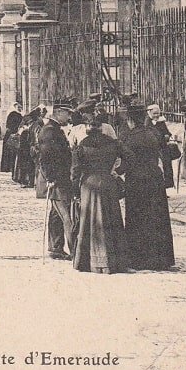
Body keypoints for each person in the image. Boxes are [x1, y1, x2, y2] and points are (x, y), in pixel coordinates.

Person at [117, 102, 176, 270]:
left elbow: (126, 161)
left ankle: (138, 258)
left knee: (137, 217)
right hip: (155, 178)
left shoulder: (128, 137)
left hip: (136, 180)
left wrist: (116, 173)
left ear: (130, 119)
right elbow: (164, 153)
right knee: (157, 217)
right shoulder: (154, 133)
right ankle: (161, 258)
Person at [71, 111, 128, 274]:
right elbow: (130, 157)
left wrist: (75, 190)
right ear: (102, 128)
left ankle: (87, 261)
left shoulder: (82, 145)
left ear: (88, 128)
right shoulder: (113, 143)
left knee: (89, 222)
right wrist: (117, 171)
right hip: (108, 184)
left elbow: (75, 171)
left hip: (89, 186)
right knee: (111, 220)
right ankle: (115, 261)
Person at [36, 98, 77, 260]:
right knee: (67, 215)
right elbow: (45, 158)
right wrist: (51, 178)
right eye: (67, 113)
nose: (68, 117)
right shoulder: (50, 131)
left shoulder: (55, 129)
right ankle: (75, 251)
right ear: (59, 112)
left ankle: (55, 247)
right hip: (58, 180)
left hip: (60, 177)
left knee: (56, 215)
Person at [146, 103, 176, 189]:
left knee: (166, 168)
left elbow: (167, 132)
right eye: (154, 113)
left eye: (158, 113)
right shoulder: (147, 122)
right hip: (153, 150)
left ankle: (166, 186)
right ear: (149, 113)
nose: (156, 115)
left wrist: (167, 135)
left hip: (163, 148)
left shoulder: (161, 121)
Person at [13, 107, 41, 187]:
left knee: (28, 166)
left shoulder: (31, 127)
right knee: (29, 165)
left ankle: (29, 182)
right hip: (27, 148)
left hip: (26, 149)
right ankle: (28, 181)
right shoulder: (33, 126)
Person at [1, 102, 23, 174]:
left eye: (20, 107)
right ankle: (10, 166)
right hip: (13, 133)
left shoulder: (13, 114)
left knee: (10, 151)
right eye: (18, 107)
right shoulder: (14, 114)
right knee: (11, 151)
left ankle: (8, 167)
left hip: (10, 133)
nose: (20, 109)